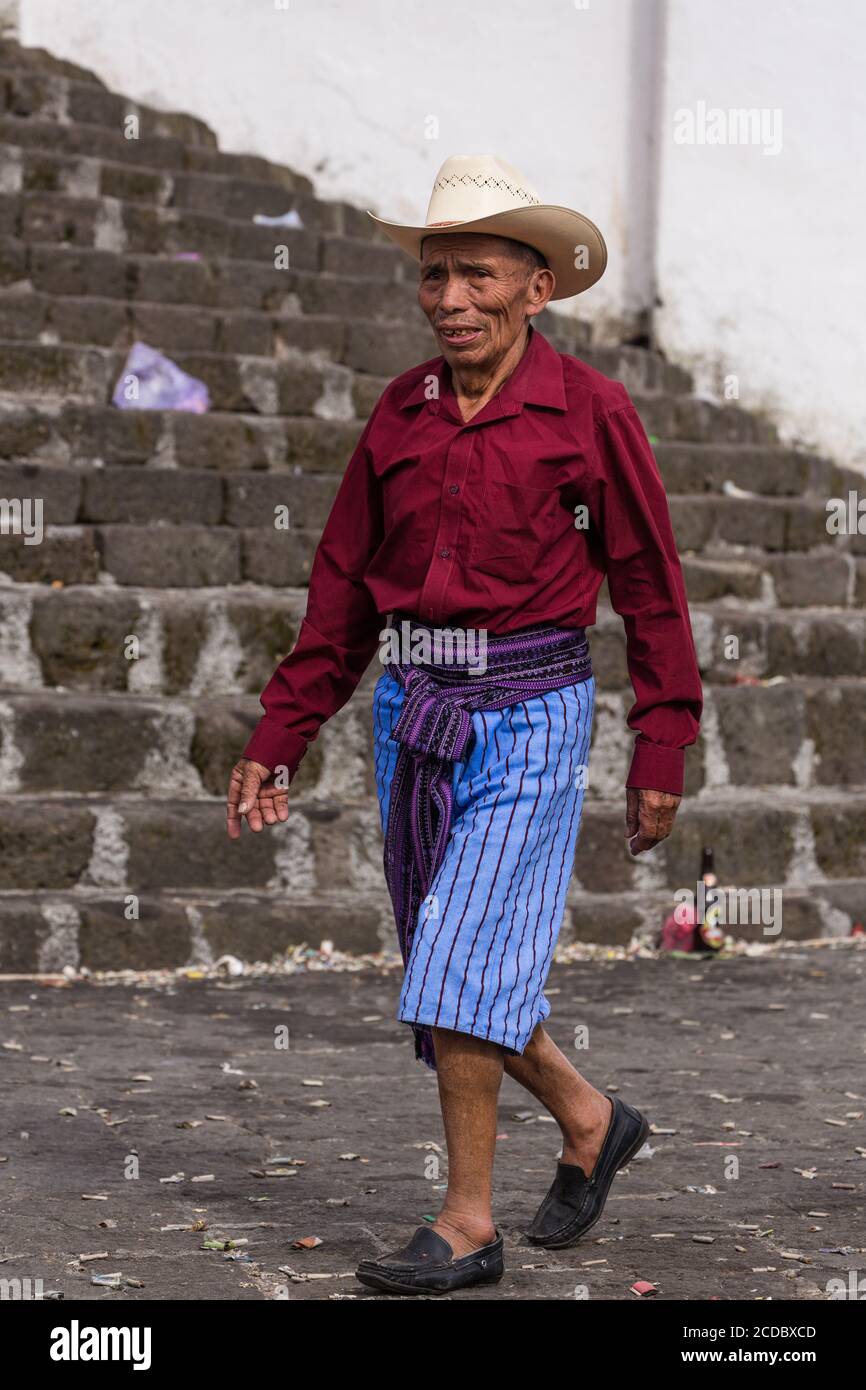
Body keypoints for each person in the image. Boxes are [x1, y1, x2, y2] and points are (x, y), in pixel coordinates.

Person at [226, 154, 703, 1295]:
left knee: (454, 972)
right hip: (411, 717)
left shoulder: (589, 413)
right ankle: (590, 1119)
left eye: (475, 275)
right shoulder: (400, 412)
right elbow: (340, 591)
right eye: (433, 275)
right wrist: (278, 733)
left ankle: (465, 1223)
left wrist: (660, 740)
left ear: (534, 288)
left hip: (531, 714)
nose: (448, 298)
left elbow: (647, 581)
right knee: (465, 973)